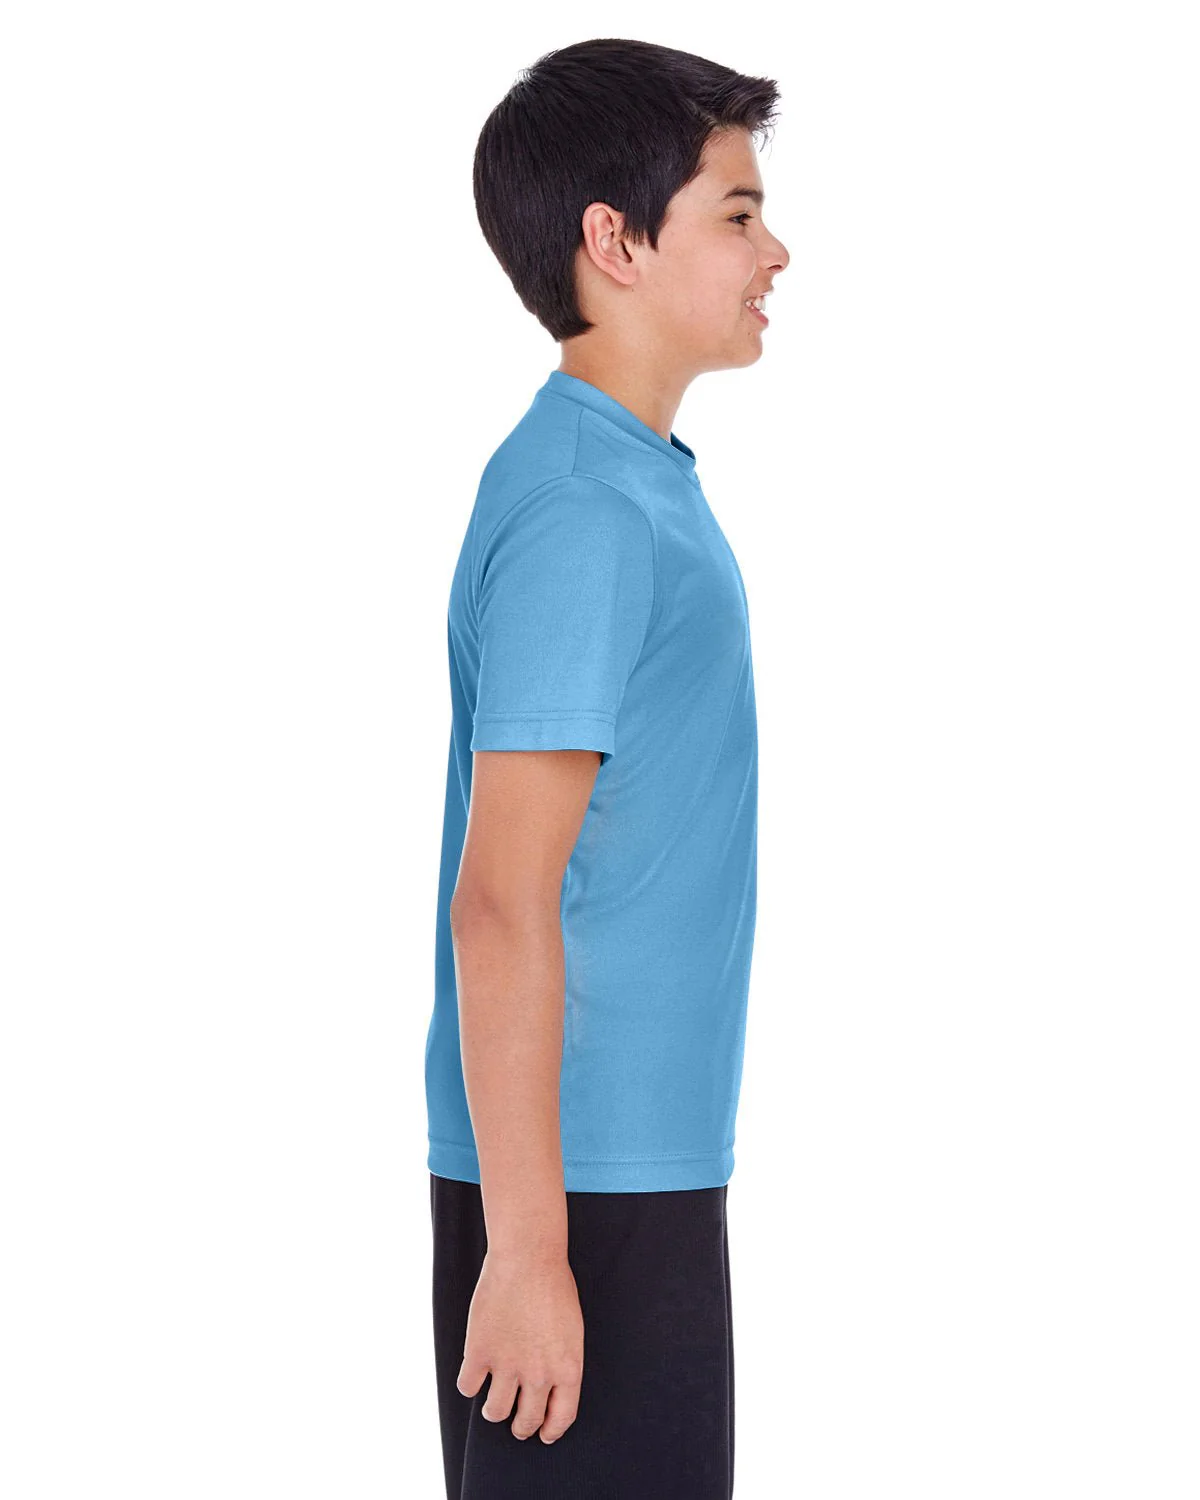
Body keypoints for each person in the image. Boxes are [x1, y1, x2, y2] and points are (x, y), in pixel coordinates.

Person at [423, 36, 789, 1499]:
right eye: (738, 214)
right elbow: (500, 899)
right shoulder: (587, 509)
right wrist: (529, 1251)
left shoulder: (627, 484)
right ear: (615, 242)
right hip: (579, 1191)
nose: (775, 252)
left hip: (619, 1172)